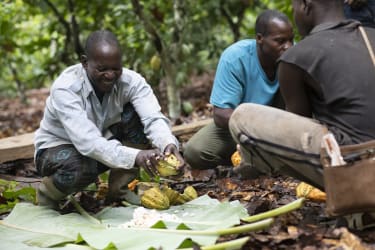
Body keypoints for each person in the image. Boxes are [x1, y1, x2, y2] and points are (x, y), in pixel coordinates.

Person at [229, 0, 375, 230]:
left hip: (359, 171)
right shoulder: (370, 35)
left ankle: (359, 206)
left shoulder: (296, 57)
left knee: (241, 117)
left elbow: (299, 123)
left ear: (305, 4)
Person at [34, 30, 184, 209]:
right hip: (56, 150)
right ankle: (47, 195)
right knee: (82, 166)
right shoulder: (66, 89)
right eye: (102, 69)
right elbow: (88, 143)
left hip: (102, 142)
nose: (110, 75)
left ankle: (120, 191)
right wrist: (137, 156)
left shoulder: (132, 82)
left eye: (115, 68)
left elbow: (153, 118)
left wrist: (168, 144)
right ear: (84, 62)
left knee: (137, 117)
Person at [183, 10, 294, 174]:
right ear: (259, 39)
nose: (288, 46)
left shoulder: (295, 56)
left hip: (278, 127)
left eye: (291, 40)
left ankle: (262, 161)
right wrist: (253, 132)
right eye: (280, 41)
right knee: (195, 152)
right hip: (242, 128)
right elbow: (221, 115)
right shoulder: (235, 58)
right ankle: (244, 161)